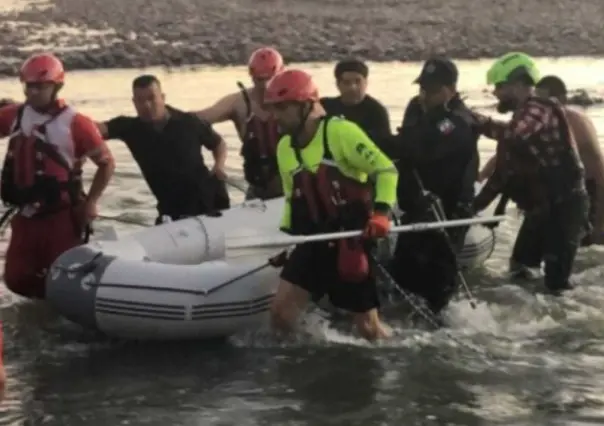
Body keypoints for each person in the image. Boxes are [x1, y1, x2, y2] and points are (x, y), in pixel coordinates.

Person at [265, 69, 398, 341]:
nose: (275, 116)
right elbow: (294, 200)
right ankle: (310, 358)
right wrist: (289, 241)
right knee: (280, 315)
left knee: (368, 330)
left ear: (305, 106)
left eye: (282, 108)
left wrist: (382, 213)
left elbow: (386, 171)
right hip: (316, 238)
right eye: (273, 108)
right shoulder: (284, 149)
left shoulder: (340, 132)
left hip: (352, 237)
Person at [0, 52, 115, 299]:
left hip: (61, 217)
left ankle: (63, 315)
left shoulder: (77, 123)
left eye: (40, 87)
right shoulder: (15, 115)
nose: (32, 92)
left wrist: (91, 202)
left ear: (56, 86)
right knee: (16, 278)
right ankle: (44, 310)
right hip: (26, 215)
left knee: (63, 279)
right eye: (29, 86)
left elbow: (106, 164)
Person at [472, 52, 588, 294]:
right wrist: (473, 208)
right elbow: (502, 175)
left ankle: (560, 321)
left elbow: (515, 134)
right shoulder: (521, 116)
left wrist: (477, 122)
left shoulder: (539, 110)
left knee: (556, 283)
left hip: (566, 205)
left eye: (500, 87)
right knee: (519, 267)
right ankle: (525, 309)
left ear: (519, 84)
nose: (495, 93)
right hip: (542, 208)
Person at [388, 57, 480, 318]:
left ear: (449, 90)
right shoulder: (424, 114)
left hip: (447, 214)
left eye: (432, 90)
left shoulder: (457, 121)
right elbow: (408, 144)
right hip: (420, 209)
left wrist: (397, 141)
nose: (424, 96)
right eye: (423, 89)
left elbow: (418, 150)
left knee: (437, 286)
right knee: (403, 275)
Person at [479, 76, 604, 246]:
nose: (537, 106)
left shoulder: (573, 121)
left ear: (561, 100)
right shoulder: (536, 121)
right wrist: (481, 176)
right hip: (552, 195)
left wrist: (599, 225)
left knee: (585, 250)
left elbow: (599, 172)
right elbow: (510, 148)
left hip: (585, 193)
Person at [96, 75, 229, 224]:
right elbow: (93, 130)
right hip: (170, 209)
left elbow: (218, 143)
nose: (147, 105)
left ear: (163, 98)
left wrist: (219, 165)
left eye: (152, 98)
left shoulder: (188, 122)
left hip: (209, 203)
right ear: (134, 103)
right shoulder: (130, 128)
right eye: (140, 100)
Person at [194, 47, 284, 200]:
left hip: (292, 189)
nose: (265, 86)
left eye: (270, 78)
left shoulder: (295, 102)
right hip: (258, 192)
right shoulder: (239, 103)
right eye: (259, 80)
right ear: (251, 76)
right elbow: (202, 117)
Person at [320, 59, 391, 150]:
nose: (353, 87)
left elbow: (385, 146)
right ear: (338, 84)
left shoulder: (376, 111)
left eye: (358, 81)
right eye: (347, 82)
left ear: (366, 83)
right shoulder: (325, 106)